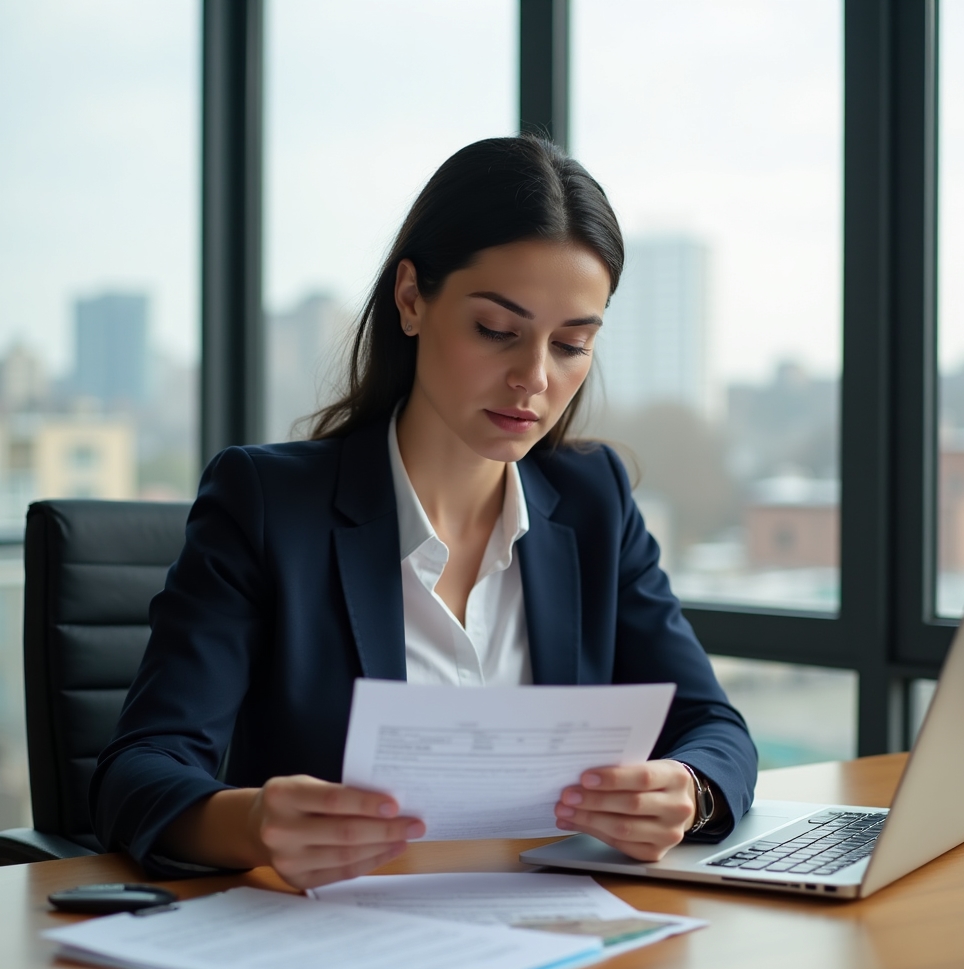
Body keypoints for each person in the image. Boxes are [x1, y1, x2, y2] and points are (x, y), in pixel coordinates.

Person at [91, 136, 757, 889]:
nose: (532, 378)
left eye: (572, 344)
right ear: (411, 299)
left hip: (556, 939)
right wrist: (251, 824)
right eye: (496, 331)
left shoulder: (594, 499)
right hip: (339, 950)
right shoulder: (269, 506)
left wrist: (687, 791)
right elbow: (137, 770)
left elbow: (716, 730)